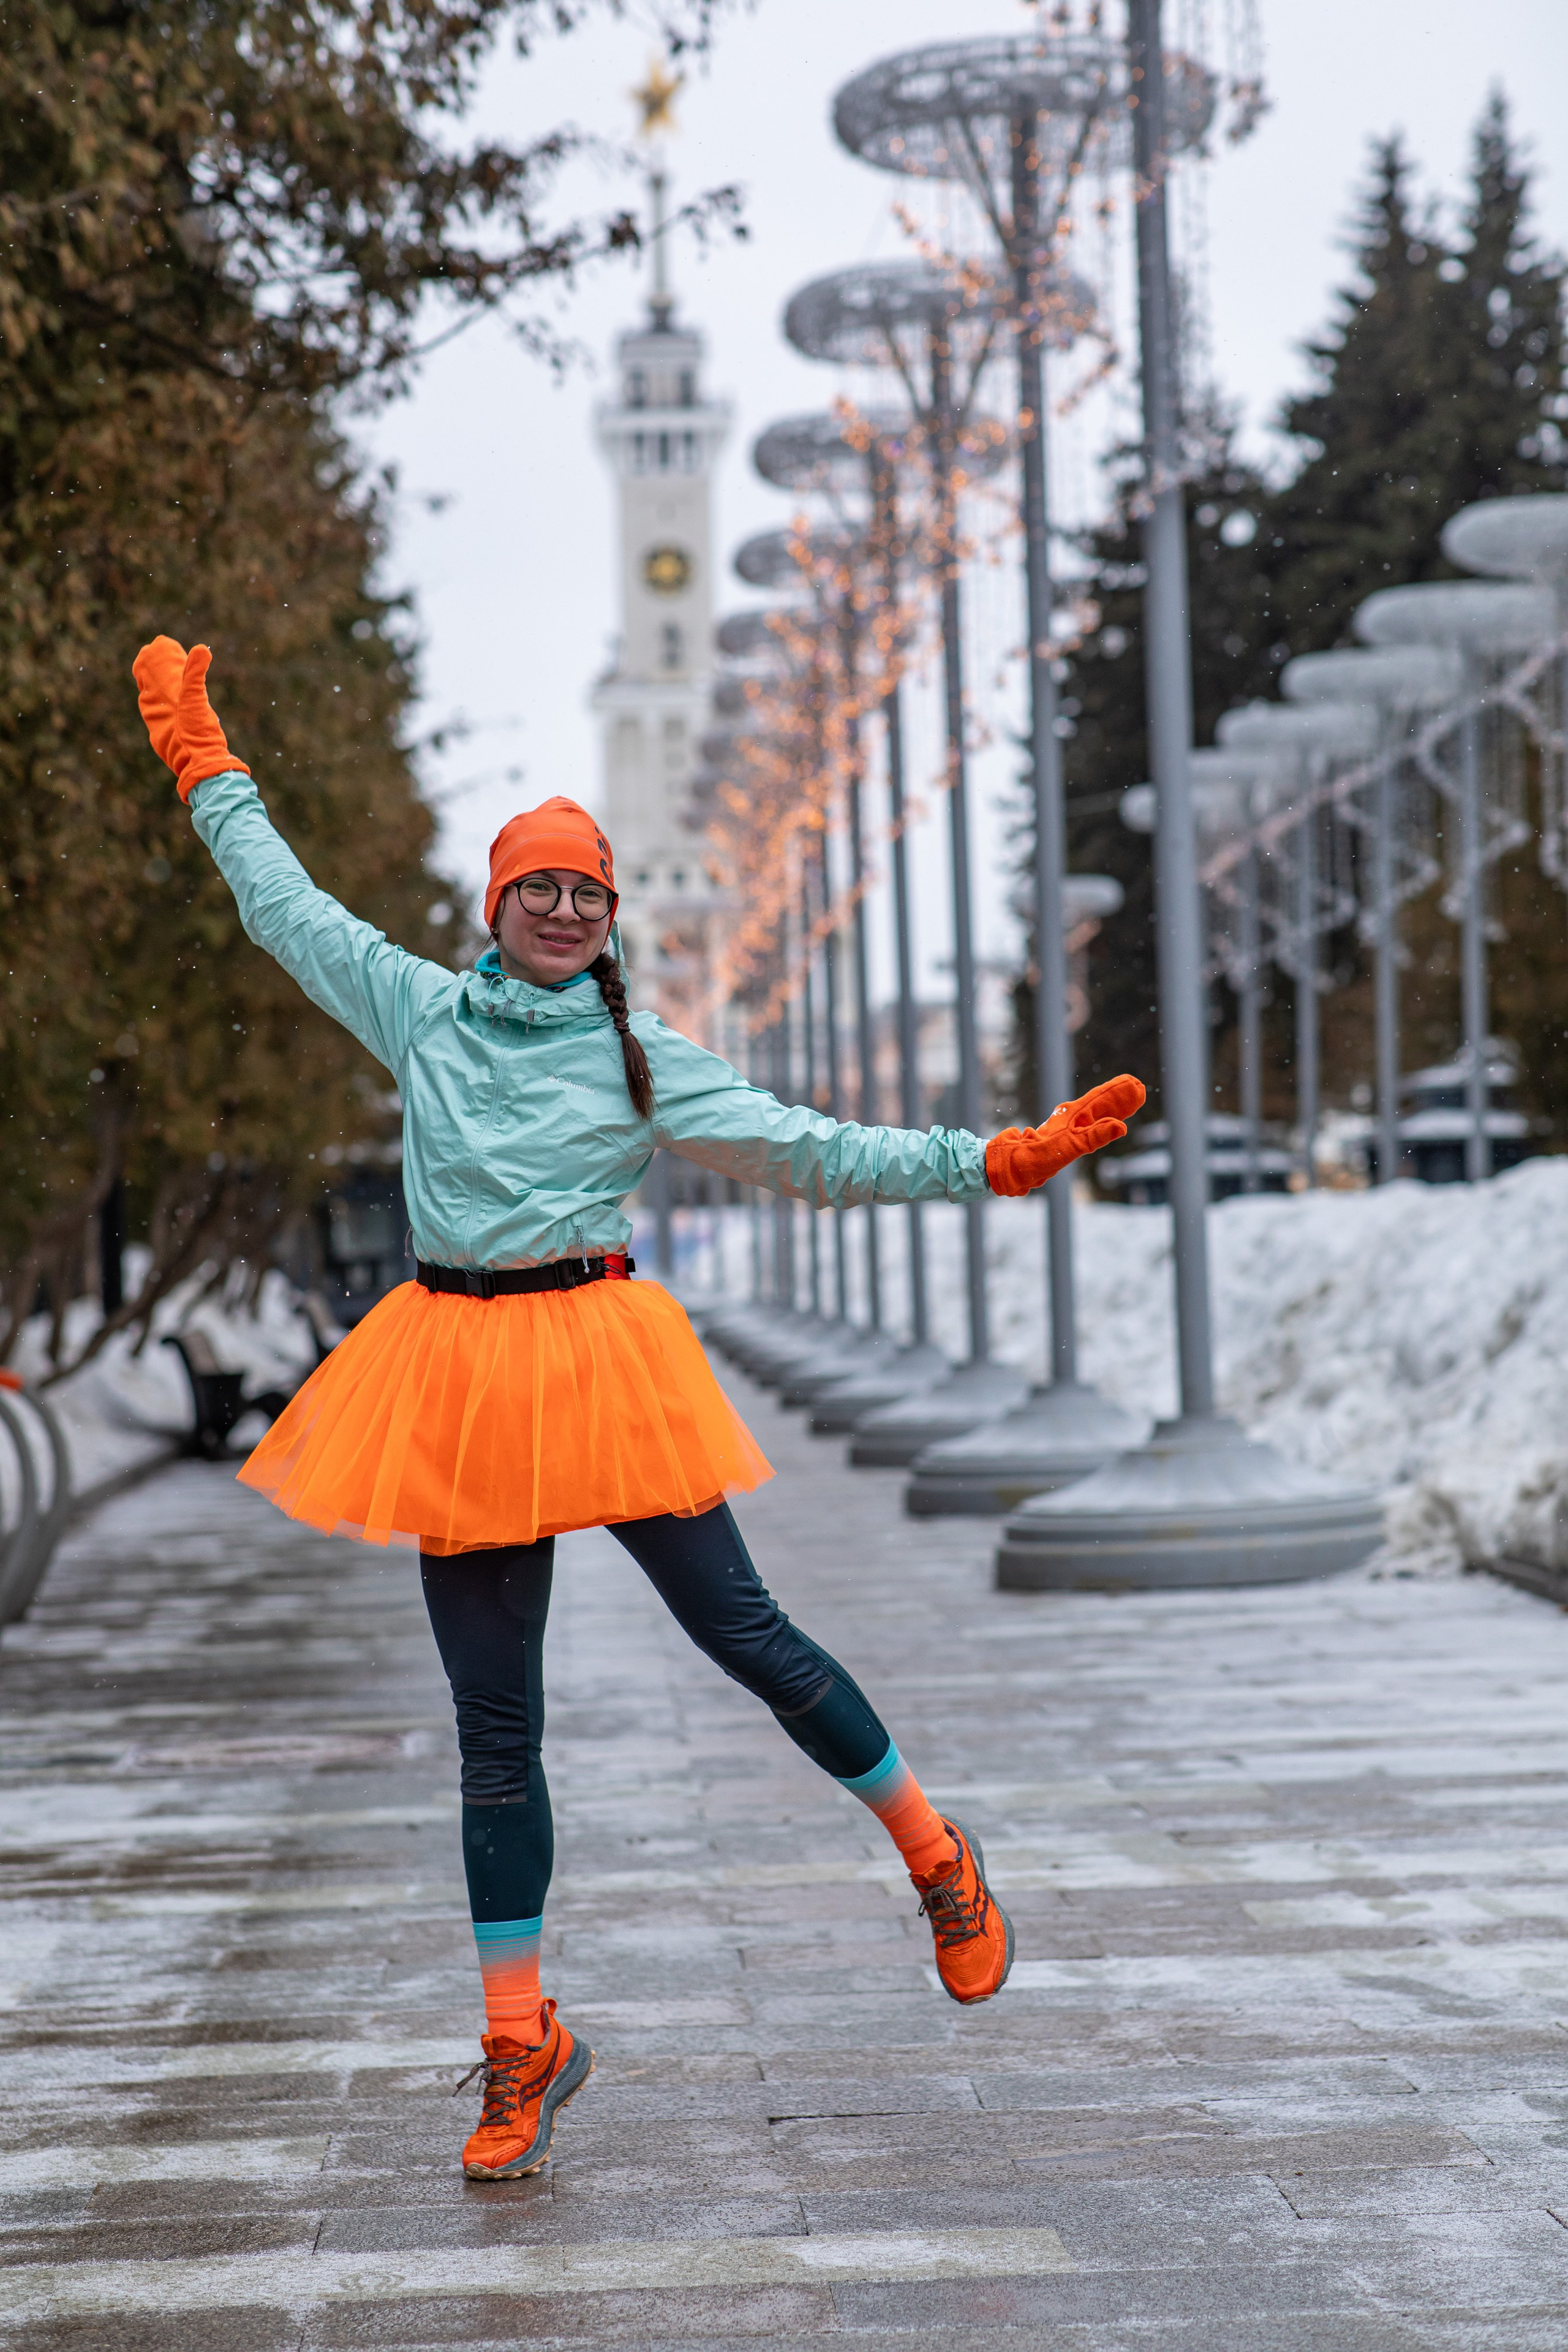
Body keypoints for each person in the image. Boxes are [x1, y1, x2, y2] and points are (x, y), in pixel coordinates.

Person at [133, 636, 1146, 2182]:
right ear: (496, 906)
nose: (557, 907)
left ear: (610, 916)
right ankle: (518, 2042)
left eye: (582, 891)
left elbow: (809, 1147)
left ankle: (938, 1861)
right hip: (458, 1370)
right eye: (534, 886)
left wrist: (985, 1158)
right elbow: (284, 905)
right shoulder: (419, 1014)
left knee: (747, 1638)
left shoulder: (636, 1052)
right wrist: (207, 767)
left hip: (599, 1362)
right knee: (493, 1730)